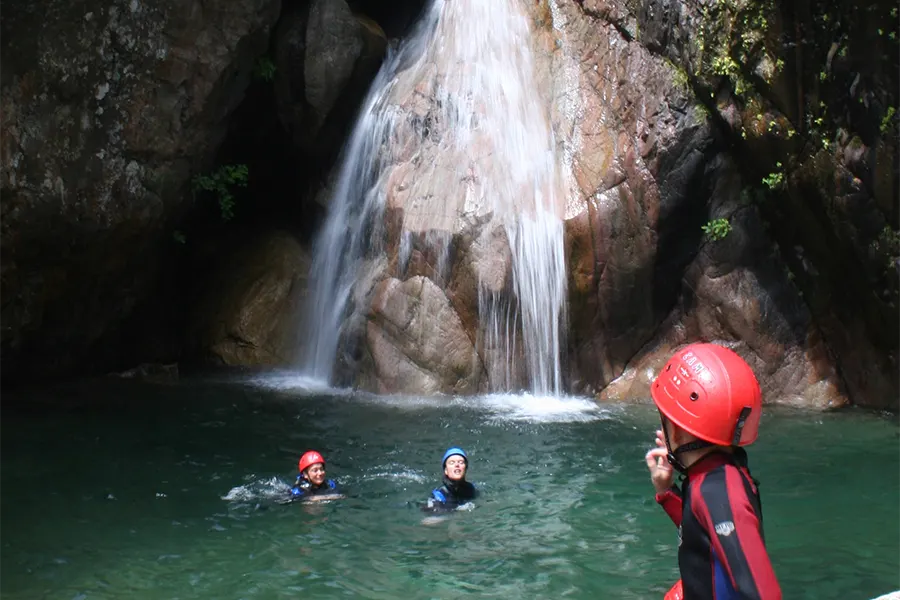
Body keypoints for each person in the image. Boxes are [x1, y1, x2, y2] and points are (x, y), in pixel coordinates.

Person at [644, 343, 782, 599]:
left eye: (665, 421)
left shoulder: (718, 490)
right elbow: (703, 534)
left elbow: (764, 593)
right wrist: (666, 491)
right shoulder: (716, 476)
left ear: (676, 430)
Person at [422, 447, 477, 513]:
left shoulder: (471, 489)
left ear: (465, 469)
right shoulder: (439, 494)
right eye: (452, 463)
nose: (457, 465)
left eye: (461, 462)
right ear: (446, 470)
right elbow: (429, 521)